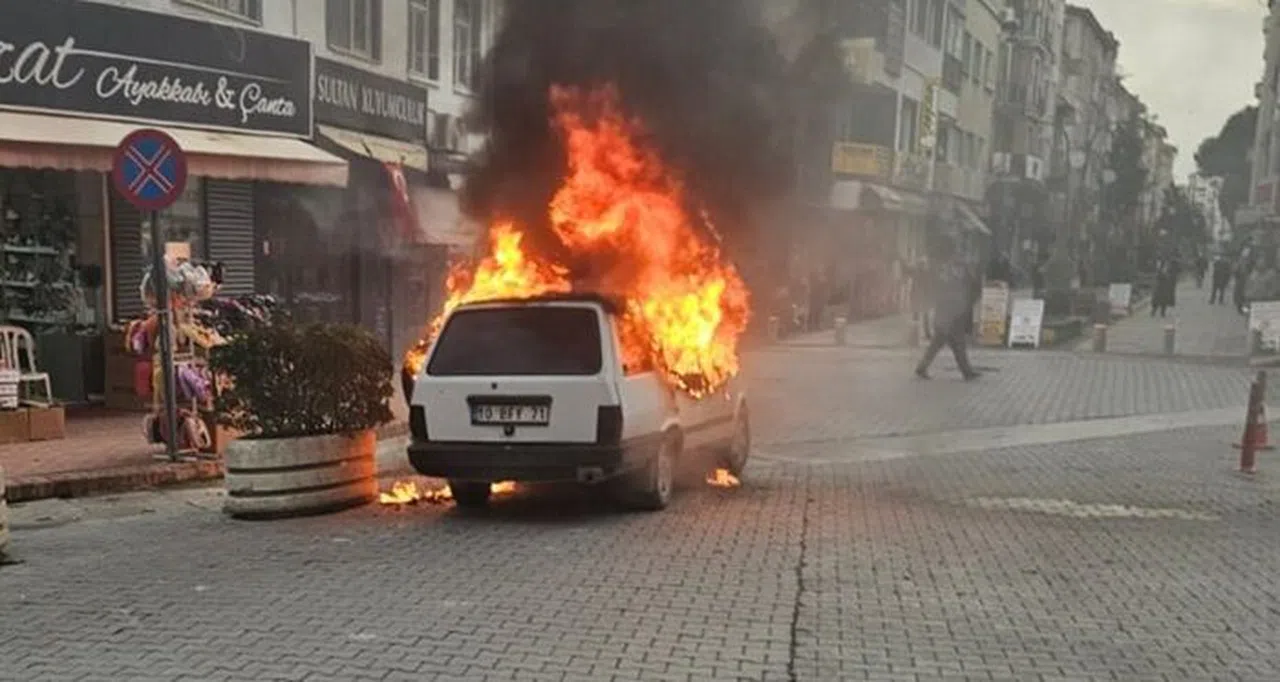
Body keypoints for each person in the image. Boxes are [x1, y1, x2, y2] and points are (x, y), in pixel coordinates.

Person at [914, 239, 980, 381]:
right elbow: (966, 286)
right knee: (955, 342)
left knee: (945, 342)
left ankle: (924, 367)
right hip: (953, 310)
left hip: (947, 309)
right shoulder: (954, 269)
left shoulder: (941, 268)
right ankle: (966, 371)